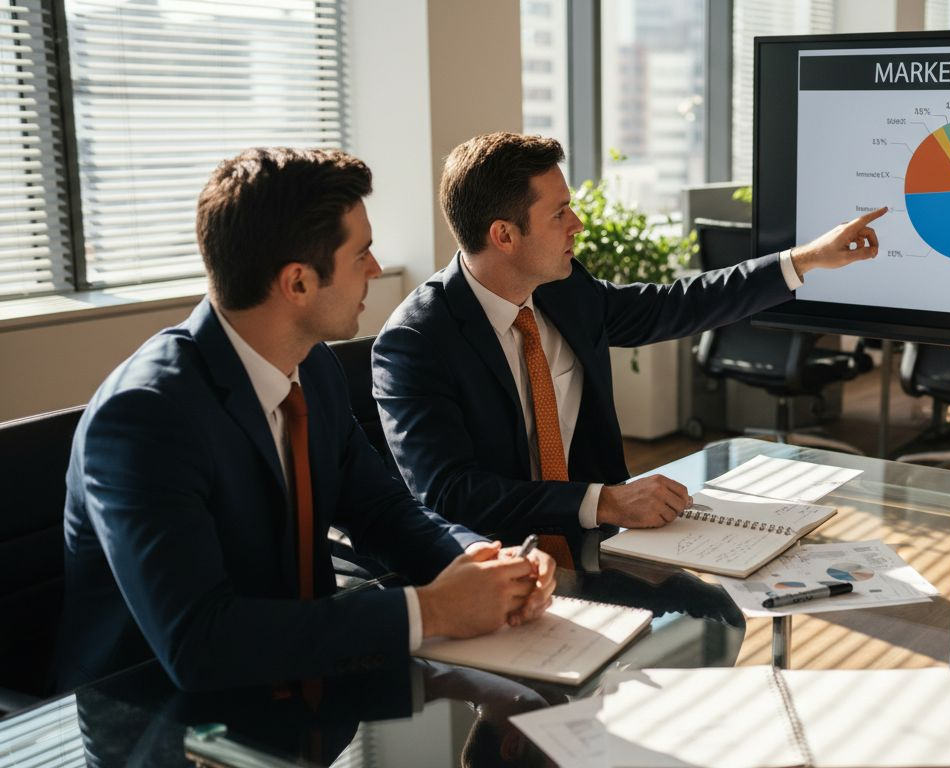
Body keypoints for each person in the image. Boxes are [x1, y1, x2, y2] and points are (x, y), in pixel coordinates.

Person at [53, 147, 555, 693]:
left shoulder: (312, 365)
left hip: (304, 688)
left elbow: (380, 511)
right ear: (297, 283)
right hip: (154, 718)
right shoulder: (144, 417)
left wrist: (486, 562)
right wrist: (430, 611)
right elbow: (200, 645)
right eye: (360, 253)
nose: (375, 268)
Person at [372, 131, 886, 538]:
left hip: (599, 539)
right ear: (503, 236)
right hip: (494, 560)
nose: (577, 224)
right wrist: (604, 501)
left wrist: (805, 260)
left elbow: (675, 305)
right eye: (558, 213)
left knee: (719, 618)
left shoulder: (563, 288)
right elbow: (451, 494)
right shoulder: (416, 341)